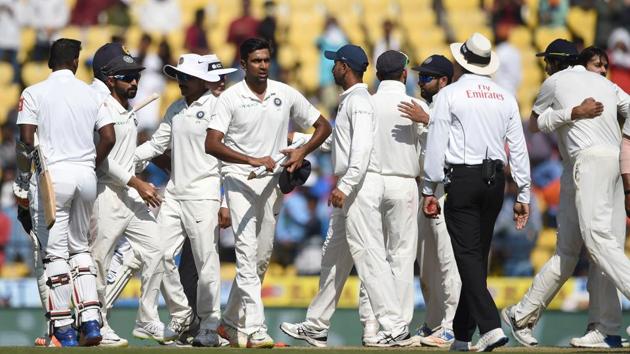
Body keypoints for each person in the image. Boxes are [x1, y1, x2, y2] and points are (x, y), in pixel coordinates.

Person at [279, 44, 410, 348]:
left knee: (369, 255)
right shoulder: (353, 100)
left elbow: (361, 152)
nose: (331, 69)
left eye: (334, 64)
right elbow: (339, 144)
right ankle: (316, 325)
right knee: (334, 259)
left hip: (359, 187)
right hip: (353, 186)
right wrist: (298, 141)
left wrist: (346, 185)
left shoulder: (359, 102)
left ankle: (393, 325)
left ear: (344, 67)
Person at [502, 39, 630, 349]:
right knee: (571, 250)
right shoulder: (605, 83)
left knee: (599, 242)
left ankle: (606, 327)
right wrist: (575, 113)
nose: (544, 67)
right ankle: (524, 316)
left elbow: (533, 125)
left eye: (547, 61)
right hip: (596, 165)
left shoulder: (553, 81)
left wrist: (569, 113)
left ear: (555, 62)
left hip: (590, 163)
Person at [206, 37, 331, 348]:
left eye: (266, 60)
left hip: (272, 186)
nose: (263, 66)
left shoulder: (284, 93)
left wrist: (301, 152)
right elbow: (212, 143)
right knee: (247, 257)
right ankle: (257, 329)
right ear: (243, 63)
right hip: (239, 181)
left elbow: (323, 126)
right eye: (256, 61)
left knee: (261, 260)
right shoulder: (230, 98)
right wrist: (250, 159)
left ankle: (229, 323)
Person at [422, 32, 531, 352]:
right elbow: (519, 150)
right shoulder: (506, 96)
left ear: (461, 62)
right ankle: (461, 335)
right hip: (496, 183)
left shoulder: (450, 95)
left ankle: (491, 326)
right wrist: (523, 193)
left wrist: (429, 188)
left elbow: (437, 143)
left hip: (463, 179)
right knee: (476, 257)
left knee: (468, 257)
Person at [13, 38, 116, 346]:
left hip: (51, 177)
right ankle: (91, 321)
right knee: (81, 249)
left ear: (49, 63)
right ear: (75, 62)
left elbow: (26, 142)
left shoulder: (33, 93)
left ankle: (64, 328)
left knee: (55, 252)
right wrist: (88, 165)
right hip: (85, 176)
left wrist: (21, 183)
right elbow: (108, 137)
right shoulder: (91, 93)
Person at [135, 53, 237, 347]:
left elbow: (229, 160)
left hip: (204, 195)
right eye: (179, 77)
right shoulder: (176, 108)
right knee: (157, 254)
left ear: (202, 80)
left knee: (207, 263)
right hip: (175, 194)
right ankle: (182, 314)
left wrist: (224, 201)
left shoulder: (219, 107)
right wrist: (124, 159)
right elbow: (157, 144)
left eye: (186, 77)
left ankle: (209, 324)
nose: (180, 82)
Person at [87, 42, 172, 347]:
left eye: (136, 75)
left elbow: (125, 155)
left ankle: (147, 319)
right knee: (99, 261)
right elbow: (102, 158)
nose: (135, 81)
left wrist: (149, 159)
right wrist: (137, 182)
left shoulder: (123, 107)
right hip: (105, 194)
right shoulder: (97, 104)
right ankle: (96, 324)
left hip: (129, 194)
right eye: (127, 76)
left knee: (158, 249)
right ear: (109, 78)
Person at [355, 50, 425, 344]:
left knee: (373, 256)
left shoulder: (366, 104)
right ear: (405, 74)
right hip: (404, 183)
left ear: (377, 74)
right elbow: (428, 151)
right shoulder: (416, 106)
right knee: (401, 257)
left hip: (369, 183)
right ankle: (397, 327)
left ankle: (371, 326)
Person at [400, 54, 461, 348]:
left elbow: (460, 148)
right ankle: (434, 322)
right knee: (427, 266)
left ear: (444, 81)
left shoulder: (454, 106)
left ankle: (451, 326)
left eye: (427, 77)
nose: (420, 82)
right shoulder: (427, 107)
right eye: (420, 76)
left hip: (448, 191)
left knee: (448, 262)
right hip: (426, 191)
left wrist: (429, 120)